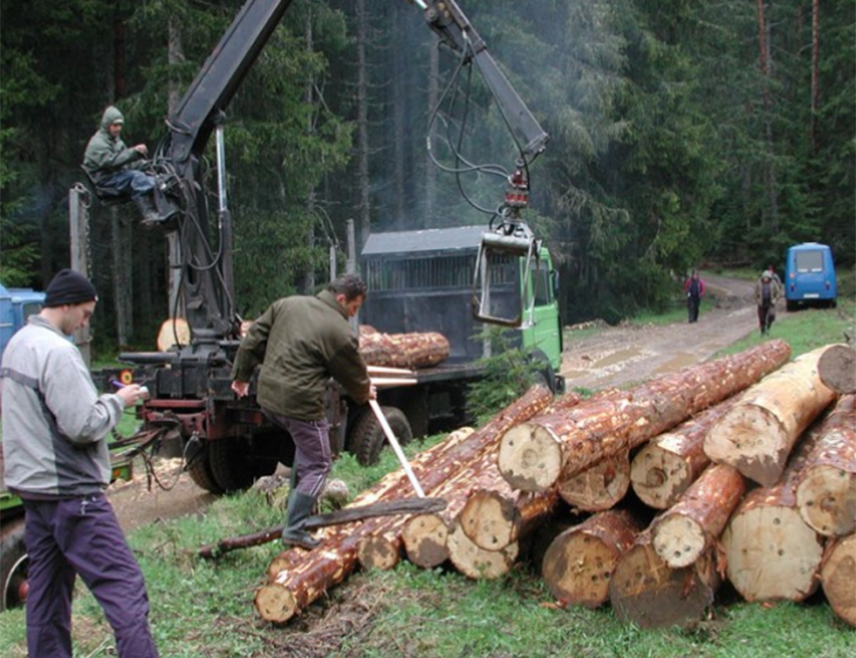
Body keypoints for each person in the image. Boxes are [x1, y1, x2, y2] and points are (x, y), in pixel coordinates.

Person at [0, 269, 159, 658]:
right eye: (85, 313)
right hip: (73, 494)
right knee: (124, 585)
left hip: (35, 493)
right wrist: (119, 402)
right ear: (67, 304)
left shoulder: (18, 344)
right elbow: (82, 425)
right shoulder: (57, 352)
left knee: (48, 594)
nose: (85, 323)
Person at [231, 274, 376, 549]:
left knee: (306, 451)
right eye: (354, 307)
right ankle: (295, 529)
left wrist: (241, 375)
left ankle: (301, 515)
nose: (354, 314)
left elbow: (253, 339)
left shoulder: (287, 304)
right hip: (299, 404)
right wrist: (364, 392)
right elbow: (353, 373)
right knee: (320, 463)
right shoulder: (339, 331)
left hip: (269, 397)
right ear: (342, 299)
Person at [82, 105, 162, 223]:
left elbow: (125, 164)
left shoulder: (116, 140)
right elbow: (112, 162)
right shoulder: (98, 144)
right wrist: (134, 151)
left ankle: (162, 205)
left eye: (120, 125)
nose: (118, 128)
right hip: (105, 181)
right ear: (107, 125)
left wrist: (144, 164)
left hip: (116, 174)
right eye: (115, 125)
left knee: (150, 174)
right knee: (136, 178)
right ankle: (149, 213)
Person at [754, 269, 782, 335]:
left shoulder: (773, 283)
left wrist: (775, 300)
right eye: (764, 278)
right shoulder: (759, 283)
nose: (765, 279)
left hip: (770, 303)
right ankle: (762, 331)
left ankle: (768, 328)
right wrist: (758, 301)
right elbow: (755, 294)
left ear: (769, 278)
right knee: (762, 318)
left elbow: (778, 293)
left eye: (767, 278)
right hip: (762, 303)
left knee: (771, 315)